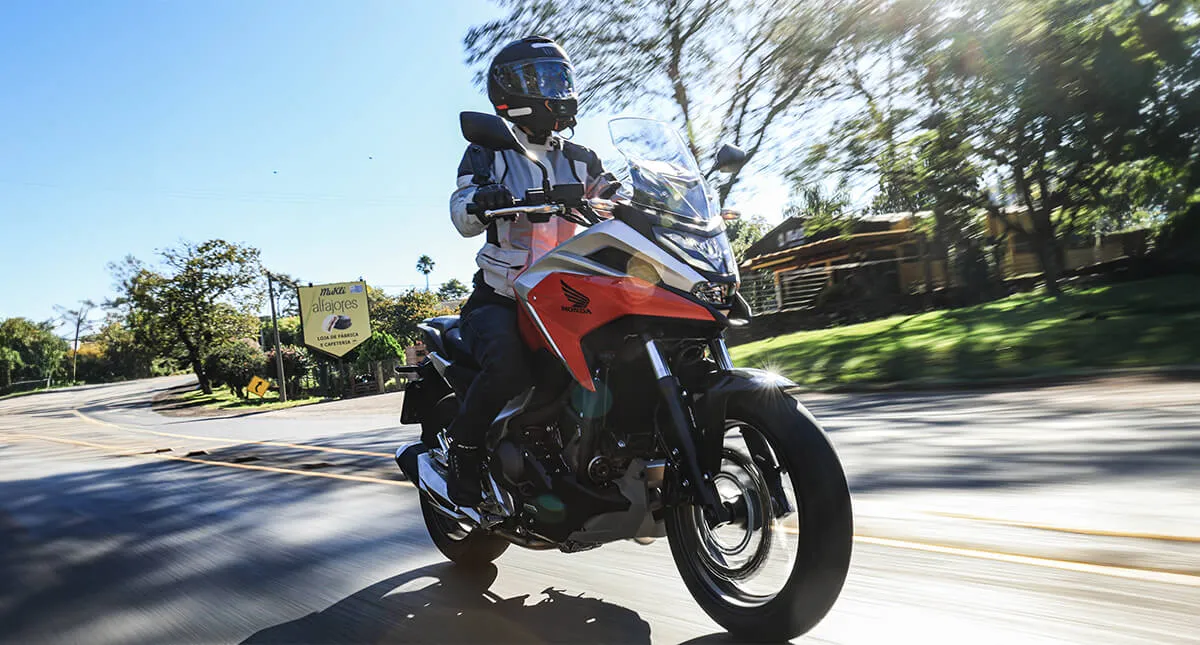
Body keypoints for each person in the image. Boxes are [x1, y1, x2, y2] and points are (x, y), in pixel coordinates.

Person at [446, 36, 617, 506]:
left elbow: (613, 193)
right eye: (546, 80)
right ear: (511, 90)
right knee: (507, 365)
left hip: (570, 295)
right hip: (503, 298)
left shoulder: (581, 157)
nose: (559, 89)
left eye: (563, 78)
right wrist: (483, 200)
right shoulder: (490, 151)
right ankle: (463, 448)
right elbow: (462, 209)